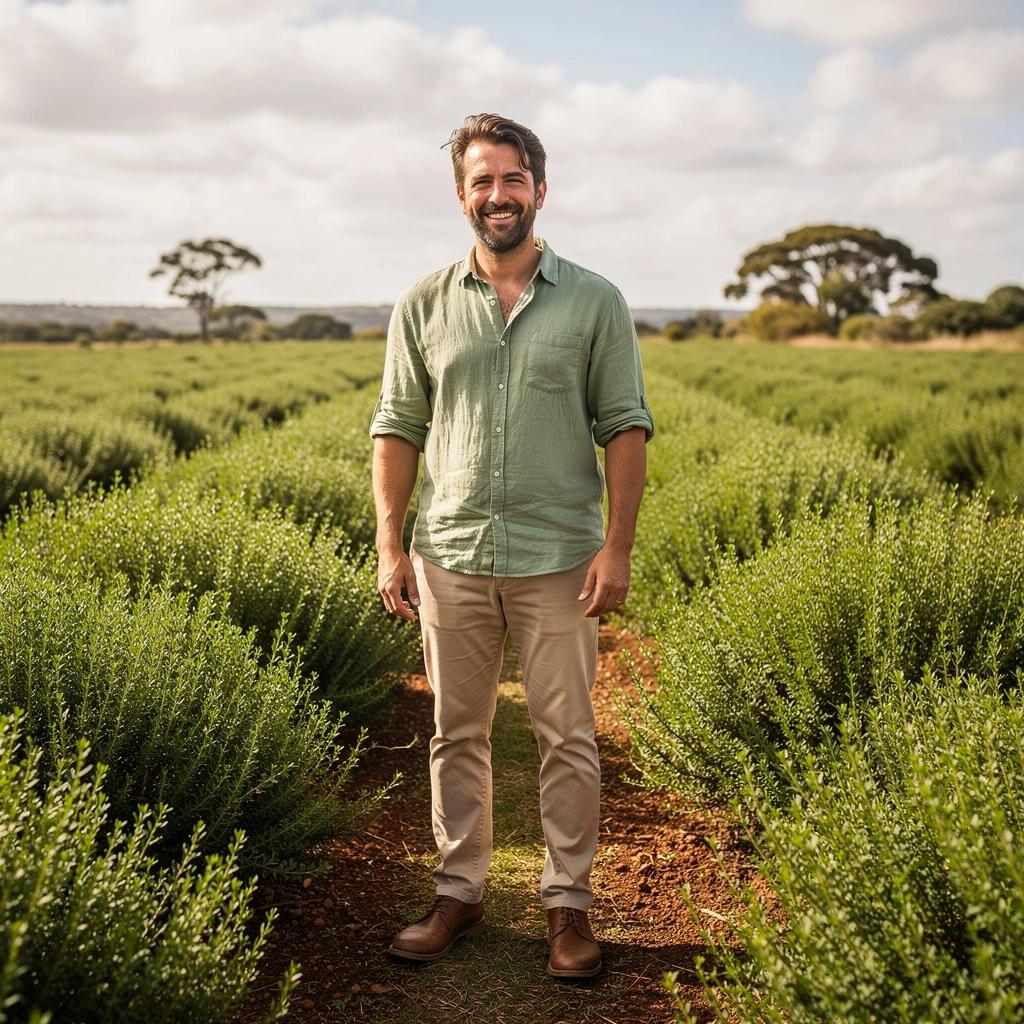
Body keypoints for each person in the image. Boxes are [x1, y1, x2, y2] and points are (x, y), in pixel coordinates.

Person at [370, 112, 654, 979]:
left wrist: (618, 548)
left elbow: (626, 426)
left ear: (540, 187)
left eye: (513, 178)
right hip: (449, 552)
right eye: (482, 181)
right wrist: (390, 543)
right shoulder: (422, 302)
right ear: (462, 197)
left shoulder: (595, 300)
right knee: (457, 731)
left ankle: (568, 908)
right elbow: (397, 426)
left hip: (560, 558)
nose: (499, 195)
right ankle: (459, 892)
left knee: (567, 734)